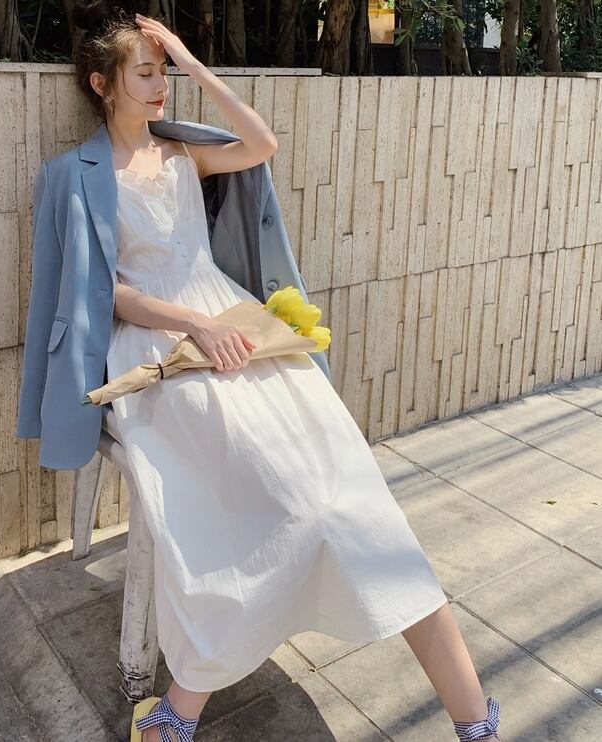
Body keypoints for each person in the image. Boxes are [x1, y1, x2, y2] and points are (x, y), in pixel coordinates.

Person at [39, 5, 504, 741]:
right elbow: (102, 291)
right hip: (157, 346)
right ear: (102, 84)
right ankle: (178, 711)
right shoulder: (74, 173)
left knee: (351, 495)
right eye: (146, 73)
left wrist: (192, 60)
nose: (161, 85)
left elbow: (261, 143)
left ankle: (475, 722)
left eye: (163, 72)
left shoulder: (183, 152)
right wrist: (194, 325)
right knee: (280, 504)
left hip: (238, 325)